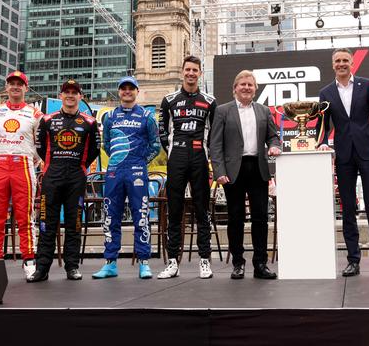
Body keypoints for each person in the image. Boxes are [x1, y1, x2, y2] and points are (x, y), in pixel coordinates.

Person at [315, 48, 369, 278]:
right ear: (333, 65)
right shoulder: (325, 92)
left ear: (352, 63)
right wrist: (322, 144)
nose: (341, 64)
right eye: (337, 61)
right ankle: (353, 260)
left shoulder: (367, 86)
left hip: (368, 153)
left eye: (345, 60)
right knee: (348, 209)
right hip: (344, 156)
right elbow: (322, 125)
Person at [210, 70, 281, 280]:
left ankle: (260, 264)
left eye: (250, 84)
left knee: (260, 218)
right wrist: (219, 171)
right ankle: (238, 263)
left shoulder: (264, 111)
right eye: (242, 84)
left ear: (255, 89)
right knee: (235, 218)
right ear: (235, 88)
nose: (246, 87)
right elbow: (215, 145)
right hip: (233, 171)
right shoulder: (223, 111)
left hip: (258, 168)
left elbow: (273, 136)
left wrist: (274, 146)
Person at [28, 79, 100, 282]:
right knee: (46, 223)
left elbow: (94, 150)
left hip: (76, 177)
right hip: (52, 176)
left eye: (74, 92)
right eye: (66, 92)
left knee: (74, 223)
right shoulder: (48, 120)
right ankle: (42, 268)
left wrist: (81, 166)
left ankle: (72, 267)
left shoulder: (90, 122)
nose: (70, 95)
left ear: (80, 96)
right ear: (61, 95)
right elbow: (40, 147)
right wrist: (53, 164)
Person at [92, 76, 160, 279]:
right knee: (110, 215)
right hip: (114, 171)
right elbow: (106, 144)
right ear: (119, 91)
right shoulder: (110, 116)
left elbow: (155, 145)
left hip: (137, 171)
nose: (127, 91)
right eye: (124, 88)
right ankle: (110, 263)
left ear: (137, 92)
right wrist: (117, 161)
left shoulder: (147, 116)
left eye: (131, 88)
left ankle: (144, 262)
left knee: (141, 215)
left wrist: (140, 161)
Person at [157, 55, 216, 279]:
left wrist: (206, 152)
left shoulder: (210, 101)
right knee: (175, 210)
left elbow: (214, 132)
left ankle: (204, 260)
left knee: (202, 210)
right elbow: (162, 132)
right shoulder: (169, 100)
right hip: (177, 156)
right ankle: (172, 262)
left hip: (200, 156)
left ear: (200, 73)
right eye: (188, 70)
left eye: (195, 70)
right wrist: (174, 151)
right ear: (182, 72)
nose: (191, 73)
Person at [0, 71, 42, 279]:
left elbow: (40, 144)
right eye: (12, 83)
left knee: (25, 216)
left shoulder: (35, 114)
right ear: (6, 87)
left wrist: (32, 158)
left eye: (20, 84)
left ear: (26, 88)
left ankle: (29, 260)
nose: (15, 87)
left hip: (23, 165)